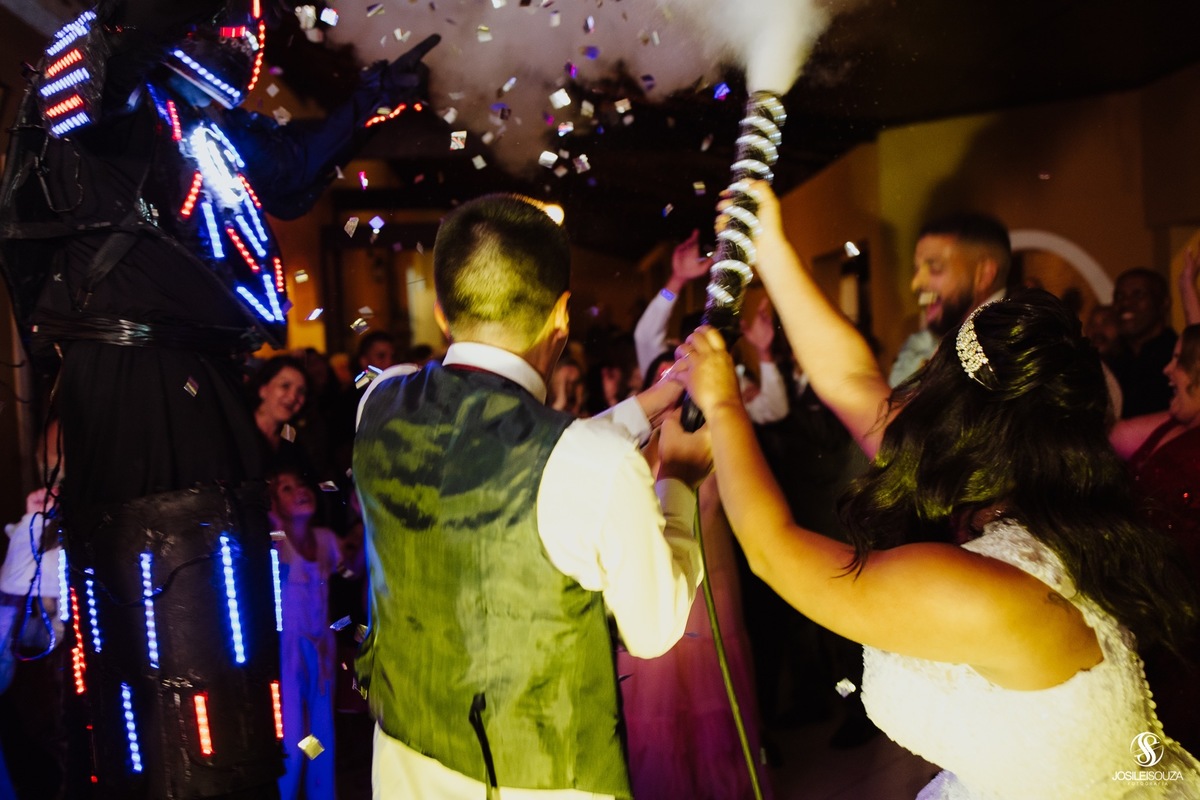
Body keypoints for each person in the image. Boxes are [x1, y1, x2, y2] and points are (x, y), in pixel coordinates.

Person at [0, 2, 440, 796]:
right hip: (131, 379)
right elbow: (89, 82)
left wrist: (368, 104)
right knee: (158, 615)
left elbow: (290, 171)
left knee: (227, 633)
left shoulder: (195, 116)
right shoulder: (97, 82)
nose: (238, 44)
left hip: (206, 381)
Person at [678, 179, 1200, 798]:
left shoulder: (990, 589)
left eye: (932, 377)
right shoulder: (1038, 507)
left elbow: (773, 549)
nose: (914, 388)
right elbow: (850, 377)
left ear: (965, 418)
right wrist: (770, 246)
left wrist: (722, 404)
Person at [353, 193, 711, 799]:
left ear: (443, 313)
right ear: (562, 314)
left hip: (403, 770)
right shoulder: (598, 467)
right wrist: (677, 478)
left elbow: (507, 451)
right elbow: (654, 630)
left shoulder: (378, 403)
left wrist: (644, 409)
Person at [268, 468, 347, 800]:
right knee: (293, 734)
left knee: (320, 735)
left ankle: (319, 792)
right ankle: (285, 793)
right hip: (289, 654)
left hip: (321, 653)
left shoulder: (326, 539)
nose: (299, 490)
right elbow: (277, 547)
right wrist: (275, 518)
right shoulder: (279, 542)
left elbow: (352, 563)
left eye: (300, 484)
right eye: (287, 489)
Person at [890, 212, 1011, 386]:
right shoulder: (921, 344)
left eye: (935, 267)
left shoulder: (1017, 347)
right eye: (917, 270)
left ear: (983, 275)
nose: (916, 283)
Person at [1109, 268, 1177, 418]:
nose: (1125, 303)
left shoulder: (1178, 356)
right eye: (1119, 296)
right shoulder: (1108, 362)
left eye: (1138, 294)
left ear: (1164, 303)